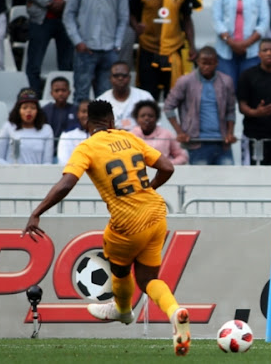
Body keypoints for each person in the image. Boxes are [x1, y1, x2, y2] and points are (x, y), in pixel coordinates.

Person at [22, 99, 191, 357]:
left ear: (87, 123)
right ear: (112, 121)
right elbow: (167, 167)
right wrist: (148, 189)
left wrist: (37, 212)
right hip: (157, 213)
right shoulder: (129, 138)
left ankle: (122, 310)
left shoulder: (86, 148)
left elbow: (66, 184)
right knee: (148, 280)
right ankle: (174, 311)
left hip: (127, 222)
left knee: (120, 270)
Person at [64, 0, 129, 103]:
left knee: (106, 101)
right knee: (81, 97)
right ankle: (81, 129)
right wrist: (78, 41)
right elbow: (69, 15)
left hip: (109, 51)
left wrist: (117, 45)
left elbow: (123, 18)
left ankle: (102, 130)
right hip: (85, 49)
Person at [135, 0, 200, 99]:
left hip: (173, 49)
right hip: (148, 48)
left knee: (173, 96)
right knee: (147, 96)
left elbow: (187, 19)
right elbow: (132, 13)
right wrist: (136, 26)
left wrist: (192, 46)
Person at [163, 46, 237, 166]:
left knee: (227, 181)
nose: (206, 67)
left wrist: (230, 133)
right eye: (203, 63)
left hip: (222, 142)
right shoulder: (185, 81)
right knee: (201, 182)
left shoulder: (226, 81)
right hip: (196, 142)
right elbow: (168, 107)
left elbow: (231, 111)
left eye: (210, 63)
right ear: (198, 62)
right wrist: (180, 132)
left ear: (216, 63)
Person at [213, 0, 269, 88]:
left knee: (249, 89)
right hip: (225, 50)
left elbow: (264, 22)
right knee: (227, 89)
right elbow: (216, 20)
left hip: (251, 50)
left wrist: (245, 43)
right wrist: (232, 43)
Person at [237, 39, 271, 165]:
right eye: (265, 50)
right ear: (259, 54)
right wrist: (256, 112)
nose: (269, 53)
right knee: (254, 174)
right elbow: (241, 105)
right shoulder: (247, 75)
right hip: (254, 136)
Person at [0, 89, 55, 164]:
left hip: (37, 174)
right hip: (11, 173)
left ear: (38, 111)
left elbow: (47, 162)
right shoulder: (8, 126)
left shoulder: (46, 129)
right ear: (18, 110)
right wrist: (10, 170)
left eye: (33, 108)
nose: (29, 111)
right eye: (25, 108)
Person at [97, 61, 155, 130]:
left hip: (139, 138)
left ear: (130, 78)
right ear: (110, 78)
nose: (120, 78)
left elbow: (155, 125)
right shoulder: (100, 101)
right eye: (116, 76)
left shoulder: (145, 97)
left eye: (124, 76)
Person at [130, 100, 188, 165]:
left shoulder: (166, 134)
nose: (146, 118)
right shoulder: (130, 136)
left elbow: (182, 156)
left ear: (157, 118)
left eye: (150, 116)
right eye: (142, 116)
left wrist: (168, 165)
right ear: (136, 118)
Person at [42, 76, 79, 141]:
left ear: (69, 92)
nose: (60, 93)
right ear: (51, 93)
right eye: (57, 91)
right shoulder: (45, 110)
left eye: (63, 90)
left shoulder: (76, 110)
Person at [56, 98, 89, 165]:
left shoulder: (102, 134)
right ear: (78, 114)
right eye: (83, 111)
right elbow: (63, 162)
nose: (87, 115)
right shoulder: (67, 135)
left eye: (91, 112)